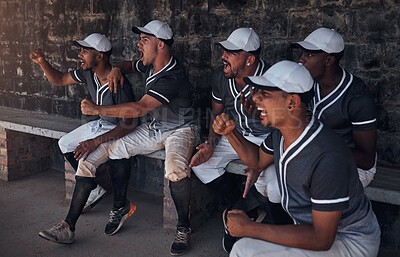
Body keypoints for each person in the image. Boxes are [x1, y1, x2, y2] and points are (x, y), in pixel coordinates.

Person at [213, 60, 381, 257]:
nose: (255, 98)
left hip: (350, 243)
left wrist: (250, 228)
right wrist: (230, 133)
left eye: (265, 94)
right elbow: (257, 161)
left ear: (292, 102)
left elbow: (322, 238)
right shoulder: (282, 134)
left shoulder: (327, 157)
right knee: (244, 248)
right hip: (320, 234)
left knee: (245, 249)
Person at [78, 20, 198, 256]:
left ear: (161, 45)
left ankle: (184, 226)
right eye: (140, 39)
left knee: (175, 170)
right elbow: (128, 65)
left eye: (145, 40)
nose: (138, 44)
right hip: (155, 127)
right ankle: (120, 206)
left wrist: (97, 110)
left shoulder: (172, 77)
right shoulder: (150, 65)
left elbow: (139, 108)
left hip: (181, 129)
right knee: (116, 148)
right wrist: (117, 69)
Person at [30, 33, 138, 244]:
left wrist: (95, 142)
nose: (80, 55)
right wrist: (43, 62)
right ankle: (94, 189)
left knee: (86, 164)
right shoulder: (88, 73)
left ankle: (68, 227)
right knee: (65, 143)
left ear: (100, 56)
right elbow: (60, 79)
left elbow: (129, 124)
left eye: (85, 51)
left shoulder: (120, 83)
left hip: (116, 132)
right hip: (100, 125)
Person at [188, 28, 288, 252]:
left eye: (232, 53)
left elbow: (283, 125)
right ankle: (245, 209)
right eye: (225, 51)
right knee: (201, 165)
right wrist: (211, 145)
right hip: (237, 134)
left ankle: (278, 236)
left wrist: (259, 161)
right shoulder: (220, 77)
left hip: (268, 139)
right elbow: (217, 114)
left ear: (250, 59)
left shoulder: (271, 79)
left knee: (272, 186)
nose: (224, 56)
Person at [291, 27, 378, 187]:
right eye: (302, 53)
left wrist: (318, 149)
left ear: (329, 60)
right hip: (316, 157)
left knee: (320, 185)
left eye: (309, 54)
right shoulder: (306, 84)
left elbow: (366, 160)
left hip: (354, 166)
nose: (301, 59)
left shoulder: (357, 98)